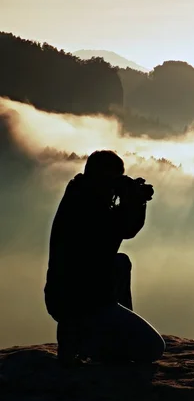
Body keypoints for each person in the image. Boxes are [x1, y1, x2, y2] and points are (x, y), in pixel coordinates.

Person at [44, 150, 165, 366]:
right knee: (153, 348)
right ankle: (94, 345)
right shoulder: (87, 204)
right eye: (114, 177)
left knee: (120, 262)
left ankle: (94, 337)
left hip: (70, 297)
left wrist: (131, 199)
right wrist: (135, 200)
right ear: (101, 176)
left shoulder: (80, 194)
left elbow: (116, 231)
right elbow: (125, 229)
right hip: (83, 303)